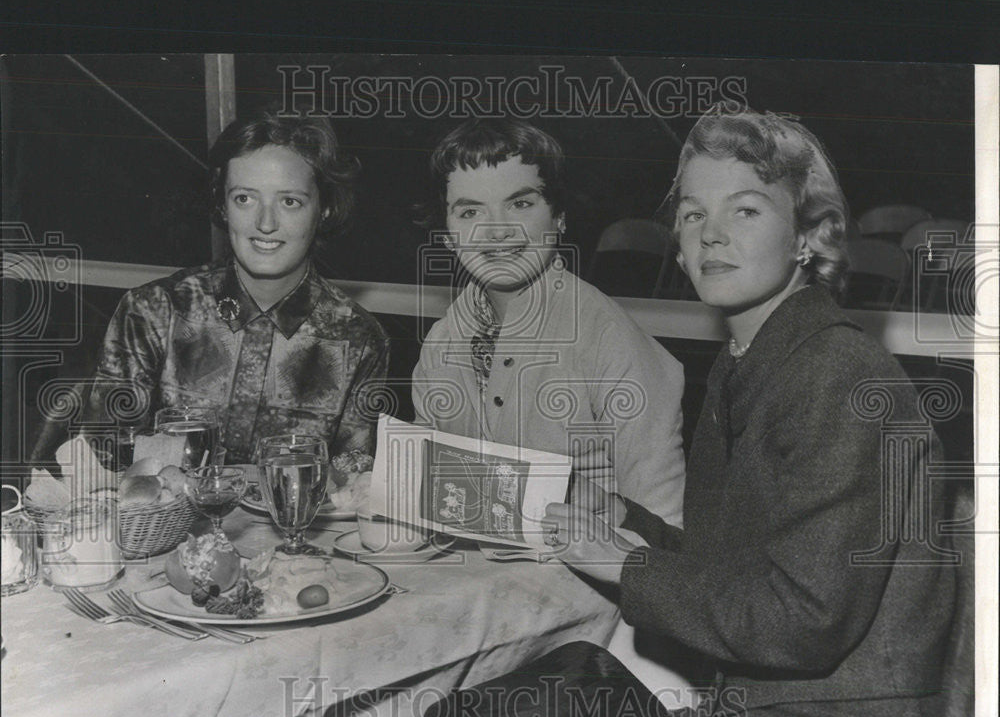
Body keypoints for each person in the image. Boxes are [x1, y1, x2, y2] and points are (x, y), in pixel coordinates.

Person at [543, 105, 955, 717]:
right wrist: (613, 512)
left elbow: (800, 620)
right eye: (694, 215)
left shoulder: (839, 374)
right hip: (750, 712)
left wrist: (629, 565)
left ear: (809, 237)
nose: (712, 236)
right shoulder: (751, 360)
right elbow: (733, 571)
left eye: (746, 212)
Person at [411, 117, 685, 530]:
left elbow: (663, 530)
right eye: (469, 211)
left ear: (559, 218)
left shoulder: (610, 339)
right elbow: (420, 488)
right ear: (448, 237)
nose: (497, 230)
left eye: (520, 204)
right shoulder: (440, 342)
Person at [80, 109, 389, 464]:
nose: (265, 223)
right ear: (223, 205)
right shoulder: (154, 311)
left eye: (290, 201)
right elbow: (101, 463)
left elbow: (349, 482)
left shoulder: (359, 338)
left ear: (325, 210)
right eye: (245, 198)